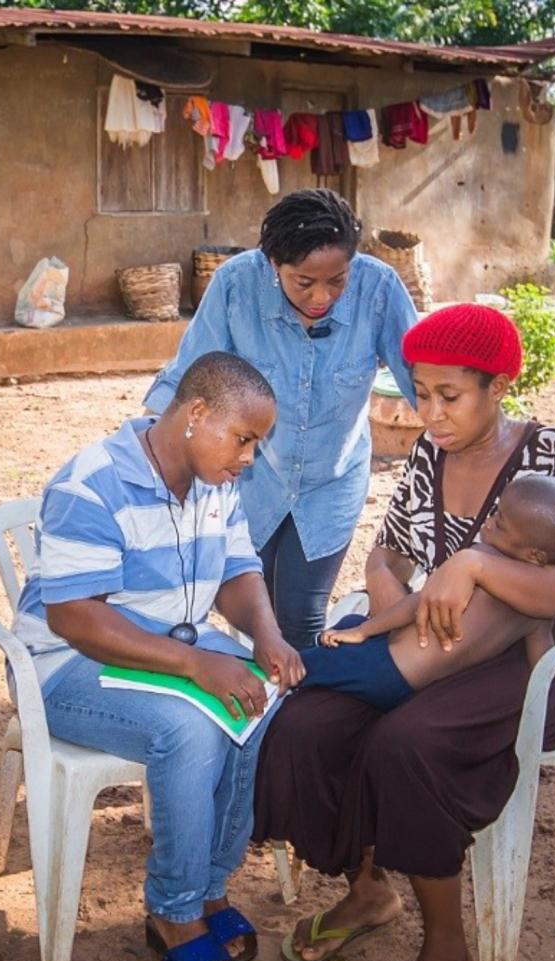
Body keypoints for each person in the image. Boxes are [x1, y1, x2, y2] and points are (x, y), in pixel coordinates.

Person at [251, 303, 555, 961]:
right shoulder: (429, 456)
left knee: (403, 745)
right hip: (427, 650)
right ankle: (370, 890)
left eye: (450, 396)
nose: (430, 413)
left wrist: (471, 563)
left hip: (521, 671)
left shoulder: (547, 455)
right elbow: (388, 553)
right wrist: (395, 601)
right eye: (420, 392)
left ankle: (448, 956)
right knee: (307, 723)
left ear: (498, 386)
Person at [13, 351, 306, 961]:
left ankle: (207, 887)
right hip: (69, 668)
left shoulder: (214, 481)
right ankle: (172, 911)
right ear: (196, 415)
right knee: (189, 730)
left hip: (169, 647)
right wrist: (195, 663)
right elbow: (74, 619)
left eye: (256, 443)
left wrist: (266, 635)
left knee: (262, 703)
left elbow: (236, 571)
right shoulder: (91, 482)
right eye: (244, 439)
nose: (249, 458)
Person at [144, 189, 418, 650]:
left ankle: (296, 717)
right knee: (249, 607)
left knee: (301, 615)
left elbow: (424, 378)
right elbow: (189, 377)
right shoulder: (236, 286)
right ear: (273, 264)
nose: (321, 296)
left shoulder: (379, 289)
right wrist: (146, 454)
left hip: (332, 480)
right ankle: (262, 712)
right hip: (251, 480)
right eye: (303, 282)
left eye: (337, 279)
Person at [298, 474, 555, 711]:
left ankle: (262, 677)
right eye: (495, 512)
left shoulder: (484, 564)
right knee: (344, 629)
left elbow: (417, 604)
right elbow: (543, 662)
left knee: (300, 667)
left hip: (389, 670)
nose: (489, 522)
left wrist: (365, 630)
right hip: (411, 678)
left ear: (535, 556)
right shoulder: (538, 608)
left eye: (500, 523)